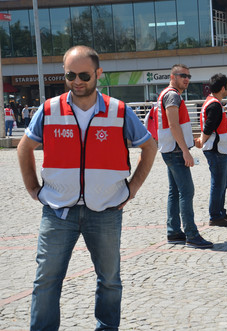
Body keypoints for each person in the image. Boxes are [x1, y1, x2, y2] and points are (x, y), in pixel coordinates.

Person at [17, 45, 157, 330]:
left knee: (109, 280)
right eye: (70, 75)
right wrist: (34, 188)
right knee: (46, 280)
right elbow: (24, 147)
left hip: (105, 210)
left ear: (98, 73)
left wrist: (133, 188)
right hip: (57, 211)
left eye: (84, 74)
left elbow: (149, 146)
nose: (77, 81)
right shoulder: (50, 109)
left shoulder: (119, 111)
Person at [157, 64, 214, 248]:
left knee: (175, 191)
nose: (187, 79)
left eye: (188, 76)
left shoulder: (171, 94)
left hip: (171, 149)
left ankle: (173, 232)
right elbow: (173, 125)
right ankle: (191, 234)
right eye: (183, 75)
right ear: (172, 76)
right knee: (187, 191)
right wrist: (185, 151)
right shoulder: (172, 95)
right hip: (175, 151)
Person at [195, 73, 227, 227]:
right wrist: (202, 141)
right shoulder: (215, 105)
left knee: (223, 182)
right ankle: (215, 215)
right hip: (216, 149)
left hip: (219, 148)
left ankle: (220, 211)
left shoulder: (212, 102)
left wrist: (201, 140)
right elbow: (209, 126)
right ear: (223, 87)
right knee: (218, 183)